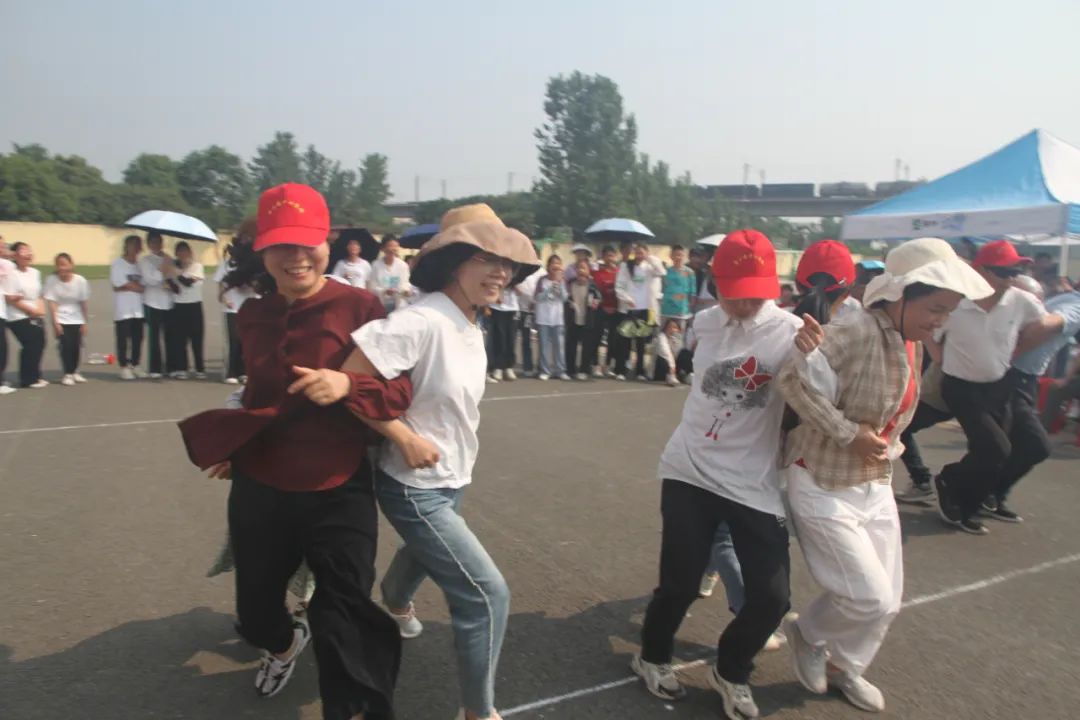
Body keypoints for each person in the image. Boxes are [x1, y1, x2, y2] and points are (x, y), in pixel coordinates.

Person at [179, 183, 415, 719]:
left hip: (340, 483)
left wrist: (347, 386)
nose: (296, 257)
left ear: (327, 242)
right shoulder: (253, 315)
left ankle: (355, 708)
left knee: (345, 614)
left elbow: (401, 393)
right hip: (261, 482)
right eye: (282, 245)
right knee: (256, 613)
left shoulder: (362, 306)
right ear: (262, 249)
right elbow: (259, 396)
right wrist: (233, 444)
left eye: (307, 242)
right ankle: (284, 646)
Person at [777, 236, 992, 713]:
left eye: (948, 311)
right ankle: (809, 634)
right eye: (935, 307)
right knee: (867, 597)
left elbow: (896, 413)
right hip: (822, 477)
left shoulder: (909, 341)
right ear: (900, 295)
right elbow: (792, 380)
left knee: (888, 599)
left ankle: (845, 666)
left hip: (873, 480)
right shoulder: (856, 328)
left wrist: (882, 446)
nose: (940, 320)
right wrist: (848, 431)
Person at [343, 211, 540, 720]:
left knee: (425, 549)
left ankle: (395, 596)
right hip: (413, 483)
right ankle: (478, 712)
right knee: (486, 596)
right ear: (453, 262)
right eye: (485, 258)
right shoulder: (422, 320)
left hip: (454, 472)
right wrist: (403, 436)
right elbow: (348, 379)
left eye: (507, 263)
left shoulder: (472, 319)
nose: (500, 272)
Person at [631, 229, 823, 719]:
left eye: (754, 294)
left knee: (773, 597)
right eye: (733, 293)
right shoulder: (704, 322)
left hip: (750, 481)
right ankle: (651, 656)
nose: (743, 304)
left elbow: (821, 394)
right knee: (679, 582)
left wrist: (812, 357)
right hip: (688, 469)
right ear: (716, 285)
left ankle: (731, 668)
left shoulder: (791, 330)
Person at [933, 240, 1047, 534]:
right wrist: (940, 359)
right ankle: (955, 490)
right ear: (980, 270)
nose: (1011, 277)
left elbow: (1044, 325)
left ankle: (980, 494)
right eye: (1004, 271)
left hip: (999, 386)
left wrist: (1019, 349)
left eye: (1016, 270)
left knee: (1022, 447)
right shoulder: (955, 302)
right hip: (960, 387)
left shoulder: (1021, 300)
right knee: (995, 449)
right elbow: (928, 332)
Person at [215, 220, 259, 384]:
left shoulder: (255, 261)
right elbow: (220, 285)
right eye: (244, 238)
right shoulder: (227, 264)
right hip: (233, 307)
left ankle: (244, 371)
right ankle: (231, 372)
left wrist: (252, 285)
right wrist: (224, 298)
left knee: (248, 341)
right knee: (234, 339)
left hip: (251, 305)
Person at [615, 243, 665, 380]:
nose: (639, 255)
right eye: (637, 252)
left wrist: (650, 258)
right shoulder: (626, 266)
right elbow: (619, 286)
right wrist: (626, 298)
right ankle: (621, 370)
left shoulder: (649, 267)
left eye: (642, 252)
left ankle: (640, 372)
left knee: (641, 343)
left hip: (645, 309)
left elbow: (661, 271)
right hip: (629, 309)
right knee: (625, 342)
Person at [43, 253, 90, 386]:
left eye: (64, 264)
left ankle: (75, 371)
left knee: (76, 345)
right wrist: (55, 323)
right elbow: (52, 303)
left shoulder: (80, 280)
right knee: (65, 346)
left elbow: (83, 303)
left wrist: (85, 322)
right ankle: (67, 373)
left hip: (77, 317)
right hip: (61, 317)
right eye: (59, 265)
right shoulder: (51, 280)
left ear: (71, 265)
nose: (62, 268)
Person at [5, 242, 47, 388]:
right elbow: (10, 298)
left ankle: (35, 375)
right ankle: (27, 379)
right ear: (15, 255)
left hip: (36, 313)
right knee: (31, 342)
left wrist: (40, 310)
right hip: (17, 314)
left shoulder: (35, 273)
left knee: (40, 343)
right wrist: (32, 311)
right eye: (23, 250)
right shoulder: (10, 273)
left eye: (29, 250)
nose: (28, 253)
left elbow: (39, 294)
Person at [138, 232, 177, 379]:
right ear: (148, 244)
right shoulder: (145, 261)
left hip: (168, 301)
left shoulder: (168, 259)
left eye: (159, 242)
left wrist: (169, 276)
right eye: (153, 242)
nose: (156, 245)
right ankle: (155, 368)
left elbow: (173, 277)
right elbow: (150, 280)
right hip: (152, 302)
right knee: (154, 337)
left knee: (170, 337)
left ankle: (171, 366)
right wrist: (162, 269)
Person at [110, 235, 145, 380]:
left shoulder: (140, 265)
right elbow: (118, 284)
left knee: (138, 338)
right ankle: (123, 366)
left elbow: (144, 285)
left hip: (138, 309)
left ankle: (135, 364)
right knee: (123, 339)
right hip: (123, 309)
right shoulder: (118, 264)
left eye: (138, 245)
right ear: (126, 246)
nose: (135, 248)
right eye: (133, 245)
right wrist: (135, 287)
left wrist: (130, 286)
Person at [171, 241, 206, 379]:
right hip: (179, 305)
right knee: (180, 339)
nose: (183, 254)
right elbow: (174, 288)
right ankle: (182, 368)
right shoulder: (173, 267)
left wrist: (177, 272)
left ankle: (199, 368)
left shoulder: (197, 267)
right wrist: (172, 273)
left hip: (194, 305)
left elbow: (188, 283)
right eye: (180, 252)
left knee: (197, 337)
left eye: (185, 251)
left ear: (190, 253)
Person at [565, 258, 602, 380]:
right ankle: (570, 370)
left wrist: (595, 303)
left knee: (587, 347)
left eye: (584, 268)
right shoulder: (571, 284)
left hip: (588, 320)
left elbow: (598, 299)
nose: (581, 270)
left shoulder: (592, 285)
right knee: (571, 345)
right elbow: (566, 298)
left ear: (588, 270)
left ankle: (584, 370)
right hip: (573, 319)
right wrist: (569, 303)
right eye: (579, 268)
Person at [533, 254, 569, 381]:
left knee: (559, 346)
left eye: (558, 263)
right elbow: (537, 298)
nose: (556, 266)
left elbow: (565, 298)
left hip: (558, 319)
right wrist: (548, 291)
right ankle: (545, 370)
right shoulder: (541, 280)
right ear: (548, 266)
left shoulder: (563, 281)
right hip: (543, 319)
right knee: (544, 346)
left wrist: (558, 287)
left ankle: (560, 370)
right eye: (553, 263)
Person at [592, 245, 619, 378]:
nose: (610, 258)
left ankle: (607, 366)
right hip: (601, 309)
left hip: (616, 310)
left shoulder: (619, 272)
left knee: (612, 340)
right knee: (597, 338)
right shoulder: (598, 272)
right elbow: (597, 290)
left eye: (612, 255)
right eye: (607, 255)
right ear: (603, 257)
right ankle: (596, 365)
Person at [368, 236, 412, 313]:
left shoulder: (403, 265)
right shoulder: (376, 265)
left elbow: (405, 283)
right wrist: (384, 291)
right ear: (383, 248)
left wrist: (405, 290)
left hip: (398, 304)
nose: (393, 249)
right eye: (390, 246)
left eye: (395, 246)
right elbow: (372, 287)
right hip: (381, 304)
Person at [660, 245, 696, 330]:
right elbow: (661, 288)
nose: (678, 257)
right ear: (671, 256)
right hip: (667, 308)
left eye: (680, 255)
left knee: (680, 334)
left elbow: (693, 291)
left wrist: (691, 307)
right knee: (664, 333)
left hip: (682, 309)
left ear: (684, 256)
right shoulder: (665, 272)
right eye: (676, 255)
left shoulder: (689, 272)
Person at [487, 286, 519, 383]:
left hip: (512, 308)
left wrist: (515, 286)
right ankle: (498, 367)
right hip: (497, 307)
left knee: (511, 339)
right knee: (499, 339)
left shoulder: (517, 275)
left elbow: (521, 292)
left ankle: (508, 366)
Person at [650, 317, 691, 386]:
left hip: (673, 368)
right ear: (665, 327)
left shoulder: (675, 338)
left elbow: (679, 353)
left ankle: (688, 375)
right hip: (661, 368)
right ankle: (670, 376)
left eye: (675, 327)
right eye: (670, 327)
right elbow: (665, 353)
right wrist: (672, 367)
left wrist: (675, 341)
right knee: (664, 359)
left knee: (685, 353)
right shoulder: (661, 337)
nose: (672, 329)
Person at [0, 240, 18, 394]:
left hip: (2, 311)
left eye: (4, 246)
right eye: (1, 246)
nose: (4, 248)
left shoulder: (5, 263)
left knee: (3, 346)